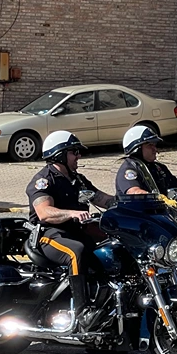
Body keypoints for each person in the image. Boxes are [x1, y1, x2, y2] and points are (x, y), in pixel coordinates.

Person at [26, 131, 115, 323]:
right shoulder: (44, 180)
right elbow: (44, 212)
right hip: (49, 236)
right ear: (59, 154)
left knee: (113, 248)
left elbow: (103, 199)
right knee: (77, 252)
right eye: (74, 152)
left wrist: (130, 203)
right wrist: (71, 213)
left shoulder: (78, 180)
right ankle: (83, 313)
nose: (78, 156)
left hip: (76, 232)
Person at [116, 125, 177, 200]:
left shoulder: (159, 168)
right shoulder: (129, 169)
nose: (155, 149)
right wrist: (158, 198)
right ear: (137, 149)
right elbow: (134, 192)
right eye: (150, 145)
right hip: (138, 216)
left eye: (154, 145)